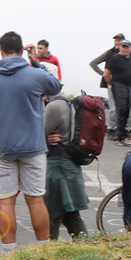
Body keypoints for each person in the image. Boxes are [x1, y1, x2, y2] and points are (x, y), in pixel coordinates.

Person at [0, 32, 63, 248]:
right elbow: (56, 86)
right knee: (36, 200)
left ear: (0, 50)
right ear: (22, 51)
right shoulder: (35, 74)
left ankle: (9, 253)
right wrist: (36, 63)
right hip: (33, 147)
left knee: (5, 202)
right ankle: (43, 250)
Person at [42, 96, 89, 239]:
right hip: (71, 165)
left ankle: (49, 249)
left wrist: (45, 139)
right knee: (71, 214)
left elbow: (37, 136)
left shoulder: (54, 106)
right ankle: (87, 247)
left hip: (57, 167)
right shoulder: (70, 105)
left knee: (52, 213)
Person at [89, 33, 131, 138]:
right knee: (114, 108)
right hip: (112, 83)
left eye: (119, 40)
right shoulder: (110, 53)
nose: (117, 42)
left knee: (125, 107)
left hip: (126, 85)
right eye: (116, 40)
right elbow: (93, 63)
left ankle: (123, 130)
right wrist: (103, 74)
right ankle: (112, 129)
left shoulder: (130, 53)